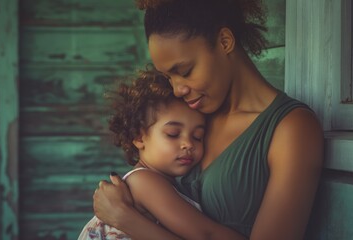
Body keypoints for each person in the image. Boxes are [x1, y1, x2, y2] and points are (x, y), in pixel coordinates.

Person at [93, 0, 324, 239]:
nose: (177, 90)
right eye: (168, 77)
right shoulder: (193, 117)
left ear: (224, 41)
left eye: (184, 71)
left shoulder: (291, 128)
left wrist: (124, 218)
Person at [79, 70, 225, 240]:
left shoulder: (162, 183)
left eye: (198, 136)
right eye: (173, 133)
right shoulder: (144, 182)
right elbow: (206, 235)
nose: (189, 144)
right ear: (139, 137)